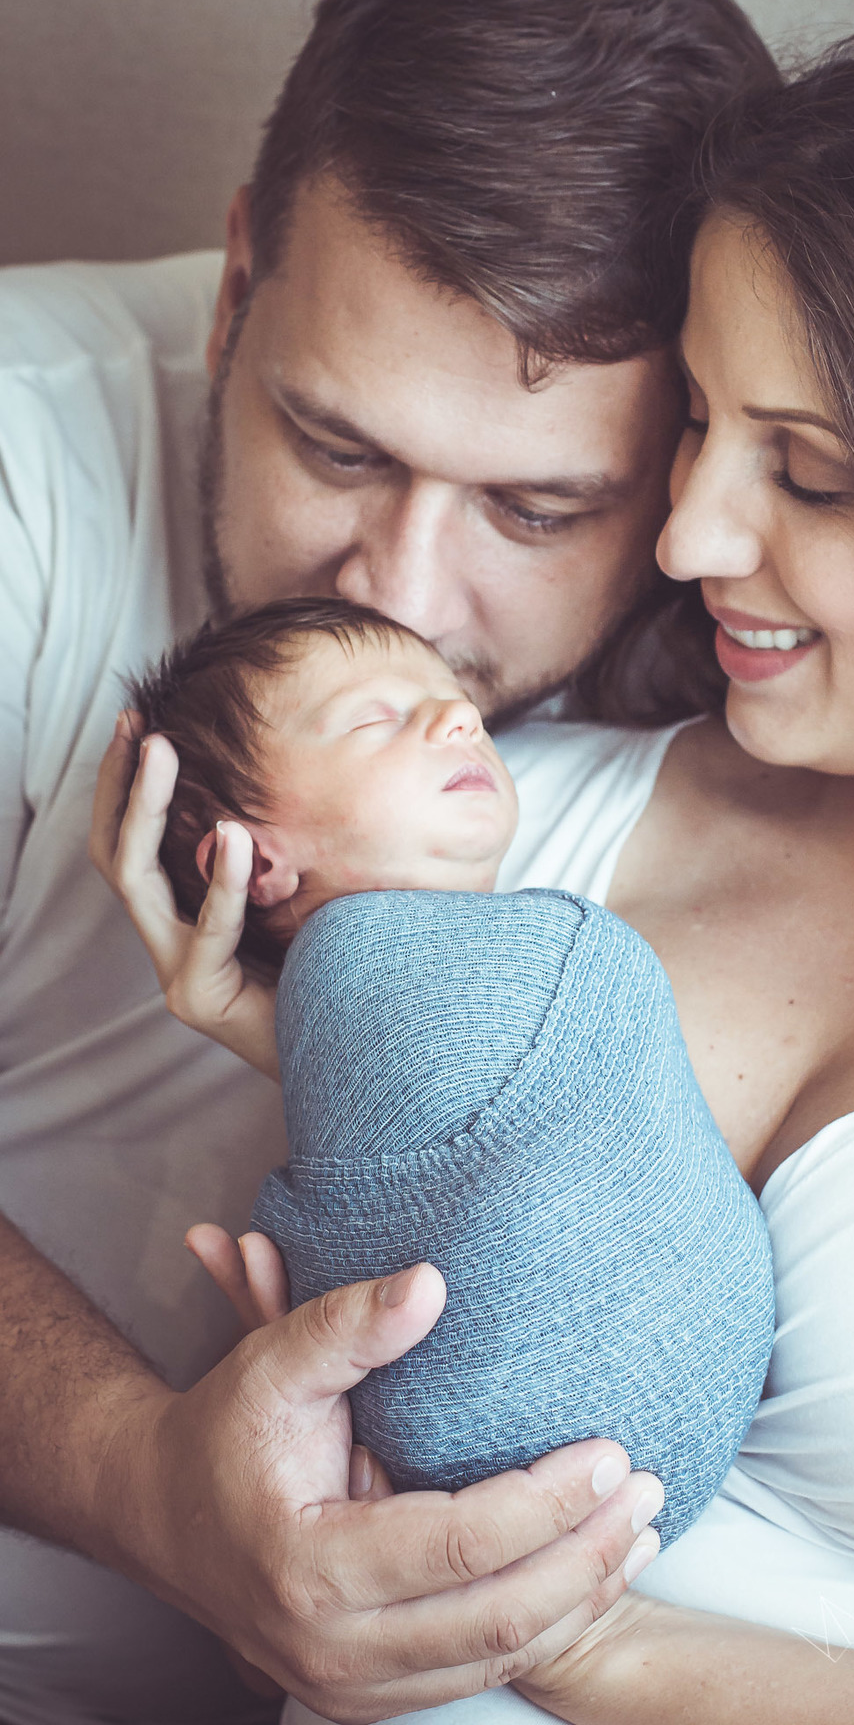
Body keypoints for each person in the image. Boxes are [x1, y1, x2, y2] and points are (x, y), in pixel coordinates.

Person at [155, 9, 854, 1723]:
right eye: (700, 423)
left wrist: (586, 1648)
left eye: (811, 473)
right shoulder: (494, 817)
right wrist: (308, 1026)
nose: (692, 534)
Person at [0, 0, 774, 1718]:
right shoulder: (29, 481)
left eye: (535, 508)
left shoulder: (763, 640)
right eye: (338, 450)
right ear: (235, 286)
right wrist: (148, 1482)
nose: (406, 596)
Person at [124, 594, 772, 1546]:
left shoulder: (382, 996)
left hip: (562, 1464)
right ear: (251, 863)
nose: (458, 717)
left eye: (453, 695)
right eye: (376, 717)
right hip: (547, 1436)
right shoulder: (352, 956)